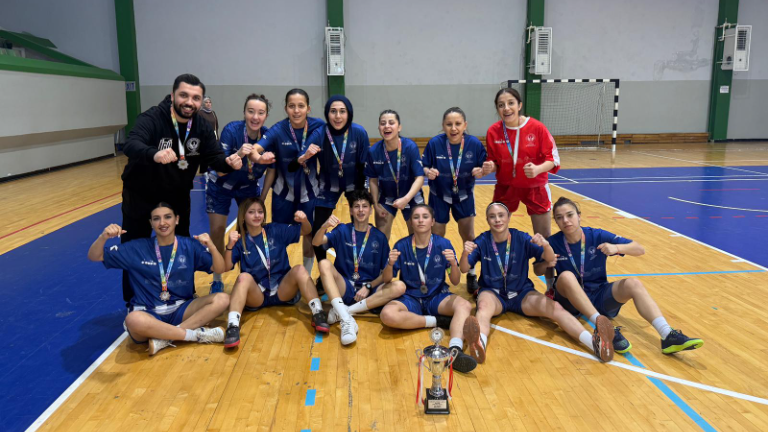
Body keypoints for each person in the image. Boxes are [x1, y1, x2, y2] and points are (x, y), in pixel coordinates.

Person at [120, 73, 242, 303]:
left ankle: (184, 295)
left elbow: (214, 156)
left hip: (176, 197)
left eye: (196, 98)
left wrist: (228, 162)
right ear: (173, 94)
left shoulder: (201, 126)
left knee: (182, 247)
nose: (190, 102)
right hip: (141, 196)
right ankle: (133, 301)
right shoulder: (153, 118)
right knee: (134, 249)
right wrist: (153, 154)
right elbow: (131, 143)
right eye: (184, 95)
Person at [536, 197, 704, 355]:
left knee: (633, 284)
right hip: (570, 301)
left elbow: (639, 249)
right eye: (559, 217)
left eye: (570, 215)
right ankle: (602, 326)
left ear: (579, 216)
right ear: (556, 222)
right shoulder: (553, 242)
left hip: (598, 294)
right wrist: (547, 264)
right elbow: (537, 270)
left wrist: (617, 248)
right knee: (565, 276)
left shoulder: (597, 235)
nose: (565, 220)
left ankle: (667, 334)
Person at [460, 202, 615, 365]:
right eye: (492, 217)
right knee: (483, 309)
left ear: (509, 217)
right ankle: (479, 345)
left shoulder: (521, 238)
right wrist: (465, 253)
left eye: (501, 216)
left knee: (556, 309)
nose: (497, 220)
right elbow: (464, 269)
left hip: (521, 294)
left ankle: (594, 343)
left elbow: (549, 258)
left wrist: (546, 245)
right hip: (493, 294)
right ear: (487, 220)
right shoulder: (482, 240)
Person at [87, 202, 229, 356]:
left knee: (222, 299)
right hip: (149, 313)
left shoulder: (189, 245)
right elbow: (95, 256)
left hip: (181, 310)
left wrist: (212, 247)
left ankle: (165, 338)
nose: (162, 223)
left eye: (167, 217)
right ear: (151, 223)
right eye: (156, 218)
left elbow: (220, 268)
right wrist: (104, 237)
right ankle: (193, 335)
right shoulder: (137, 248)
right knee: (133, 320)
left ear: (177, 220)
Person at [379, 205, 477, 373]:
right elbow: (387, 279)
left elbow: (454, 281)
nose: (421, 220)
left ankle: (455, 350)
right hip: (410, 298)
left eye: (425, 217)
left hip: (436, 297)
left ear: (432, 221)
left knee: (465, 306)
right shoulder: (401, 245)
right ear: (411, 221)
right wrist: (390, 264)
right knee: (387, 315)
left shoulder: (443, 244)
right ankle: (436, 322)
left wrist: (453, 264)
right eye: (416, 217)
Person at [222, 198, 328, 348]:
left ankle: (318, 313)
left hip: (282, 289)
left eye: (260, 212)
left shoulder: (275, 230)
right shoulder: (240, 240)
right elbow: (226, 267)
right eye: (251, 212)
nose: (257, 215)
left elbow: (306, 231)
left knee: (299, 269)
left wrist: (304, 220)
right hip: (257, 294)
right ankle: (232, 326)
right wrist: (230, 246)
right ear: (243, 217)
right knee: (243, 278)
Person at [483, 88, 560, 293]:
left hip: (535, 187)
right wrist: (491, 166)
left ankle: (552, 285)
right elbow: (494, 160)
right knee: (496, 231)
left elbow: (553, 160)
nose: (506, 108)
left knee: (544, 237)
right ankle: (494, 278)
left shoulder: (537, 128)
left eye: (510, 103)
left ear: (519, 105)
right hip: (506, 187)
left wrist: (537, 169)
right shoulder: (494, 131)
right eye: (501, 105)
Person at [312, 190, 405, 345]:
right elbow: (316, 242)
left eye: (364, 206)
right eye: (356, 206)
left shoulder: (379, 237)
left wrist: (369, 286)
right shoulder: (342, 230)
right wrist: (324, 226)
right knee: (324, 263)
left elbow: (386, 274)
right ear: (351, 210)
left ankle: (344, 313)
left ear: (370, 210)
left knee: (399, 286)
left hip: (369, 291)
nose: (361, 210)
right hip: (345, 287)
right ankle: (347, 320)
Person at [251, 89, 325, 275]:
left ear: (308, 108)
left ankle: (306, 275)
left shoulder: (318, 127)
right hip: (282, 194)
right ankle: (280, 273)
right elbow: (255, 149)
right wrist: (258, 157)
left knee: (308, 234)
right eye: (292, 106)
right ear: (286, 108)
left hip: (309, 194)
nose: (296, 110)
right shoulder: (278, 129)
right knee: (277, 237)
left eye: (301, 106)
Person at [205, 94, 271, 293]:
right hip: (220, 186)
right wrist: (240, 153)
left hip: (248, 187)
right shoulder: (231, 131)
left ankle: (250, 275)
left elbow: (273, 169)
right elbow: (221, 170)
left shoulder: (268, 137)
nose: (255, 117)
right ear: (244, 112)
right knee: (217, 231)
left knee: (250, 230)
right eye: (251, 111)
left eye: (260, 112)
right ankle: (217, 279)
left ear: (266, 116)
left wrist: (263, 196)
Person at [422, 107, 487, 295]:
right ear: (443, 126)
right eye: (449, 124)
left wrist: (483, 170)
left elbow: (486, 164)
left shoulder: (474, 144)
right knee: (437, 238)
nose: (453, 128)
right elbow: (424, 165)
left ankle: (472, 274)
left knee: (468, 236)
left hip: (464, 196)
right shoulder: (435, 143)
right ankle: (438, 275)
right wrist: (428, 172)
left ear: (465, 125)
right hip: (439, 196)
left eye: (458, 124)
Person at [305, 95, 370, 264]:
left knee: (361, 224)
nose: (338, 116)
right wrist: (304, 155)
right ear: (327, 114)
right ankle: (323, 269)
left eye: (342, 111)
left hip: (354, 184)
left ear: (349, 114)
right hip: (327, 185)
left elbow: (363, 165)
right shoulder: (320, 133)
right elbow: (303, 155)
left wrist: (362, 193)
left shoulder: (359, 132)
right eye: (333, 111)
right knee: (318, 227)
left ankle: (359, 266)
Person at [364, 110, 425, 239]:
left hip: (411, 197)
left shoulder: (410, 147)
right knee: (381, 237)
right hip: (386, 197)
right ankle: (385, 259)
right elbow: (373, 180)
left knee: (418, 236)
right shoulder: (374, 151)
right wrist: (375, 204)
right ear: (379, 128)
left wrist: (406, 199)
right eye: (383, 123)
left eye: (391, 123)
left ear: (399, 127)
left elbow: (419, 177)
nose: (387, 126)